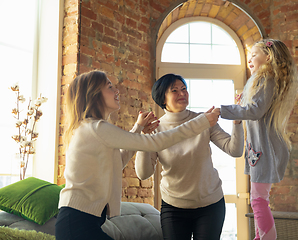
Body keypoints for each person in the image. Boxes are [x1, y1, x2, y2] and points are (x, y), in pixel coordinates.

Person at [55, 70, 220, 240]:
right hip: (76, 224)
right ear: (94, 94)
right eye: (110, 87)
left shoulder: (94, 128)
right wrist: (202, 122)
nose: (117, 91)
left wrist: (138, 129)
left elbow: (117, 162)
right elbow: (157, 142)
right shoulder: (96, 128)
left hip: (81, 221)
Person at [134, 73, 244, 240]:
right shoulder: (155, 129)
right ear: (162, 98)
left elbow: (234, 150)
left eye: (184, 89)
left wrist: (237, 122)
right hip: (174, 207)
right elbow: (143, 173)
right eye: (175, 90)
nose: (182, 93)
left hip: (211, 205)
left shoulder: (203, 120)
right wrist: (144, 138)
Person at [219, 39, 298, 240]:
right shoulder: (265, 81)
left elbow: (254, 111)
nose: (250, 60)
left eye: (254, 54)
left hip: (264, 149)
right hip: (261, 148)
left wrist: (222, 110)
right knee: (259, 199)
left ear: (268, 56)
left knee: (258, 200)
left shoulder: (265, 79)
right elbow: (256, 109)